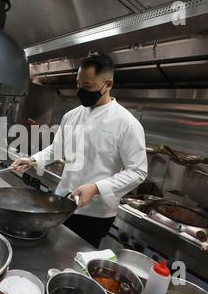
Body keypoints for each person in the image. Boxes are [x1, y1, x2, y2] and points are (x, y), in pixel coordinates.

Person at [12, 52, 148, 248]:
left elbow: (138, 171)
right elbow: (56, 149)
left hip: (94, 214)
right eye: (78, 83)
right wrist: (32, 160)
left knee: (74, 262)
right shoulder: (71, 116)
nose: (80, 90)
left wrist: (96, 188)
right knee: (49, 250)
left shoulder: (127, 124)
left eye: (87, 86)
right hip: (61, 203)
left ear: (108, 84)